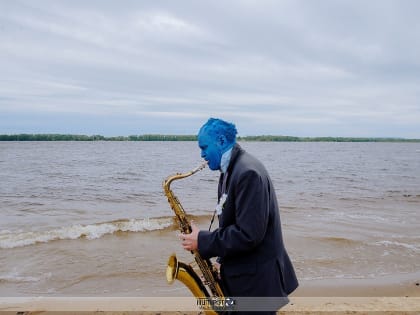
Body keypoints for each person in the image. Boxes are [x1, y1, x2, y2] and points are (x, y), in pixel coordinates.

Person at [180, 118, 298, 314]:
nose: (201, 154)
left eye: (204, 147)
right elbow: (234, 222)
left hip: (257, 284)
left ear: (220, 141)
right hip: (248, 277)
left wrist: (202, 240)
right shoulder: (230, 170)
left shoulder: (247, 173)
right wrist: (221, 261)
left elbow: (248, 234)